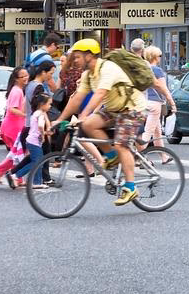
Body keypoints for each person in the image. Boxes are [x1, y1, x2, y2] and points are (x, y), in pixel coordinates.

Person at [52, 39, 149, 206]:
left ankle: (131, 187)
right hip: (114, 108)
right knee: (88, 125)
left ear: (89, 55)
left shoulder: (107, 68)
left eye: (77, 57)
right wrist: (60, 119)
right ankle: (112, 156)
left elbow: (99, 94)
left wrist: (83, 114)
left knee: (121, 145)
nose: (75, 61)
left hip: (132, 108)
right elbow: (77, 98)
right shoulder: (88, 74)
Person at [0, 67, 30, 186]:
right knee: (18, 154)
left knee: (17, 154)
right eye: (23, 76)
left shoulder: (17, 90)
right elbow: (12, 109)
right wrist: (25, 115)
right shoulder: (17, 91)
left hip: (12, 127)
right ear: (17, 79)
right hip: (13, 128)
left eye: (27, 75)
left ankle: (13, 176)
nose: (26, 78)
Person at [13, 93, 53, 189]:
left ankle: (36, 182)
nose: (50, 106)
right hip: (34, 142)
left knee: (38, 161)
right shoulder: (40, 114)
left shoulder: (36, 113)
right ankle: (16, 176)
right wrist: (43, 135)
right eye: (49, 104)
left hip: (32, 141)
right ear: (42, 104)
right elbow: (39, 126)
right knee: (37, 162)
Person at [141, 45, 175, 150]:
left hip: (144, 101)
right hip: (155, 103)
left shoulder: (143, 69)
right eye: (160, 55)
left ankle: (164, 156)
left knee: (157, 131)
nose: (161, 58)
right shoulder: (157, 70)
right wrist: (172, 103)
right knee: (148, 131)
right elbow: (163, 88)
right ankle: (137, 155)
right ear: (155, 57)